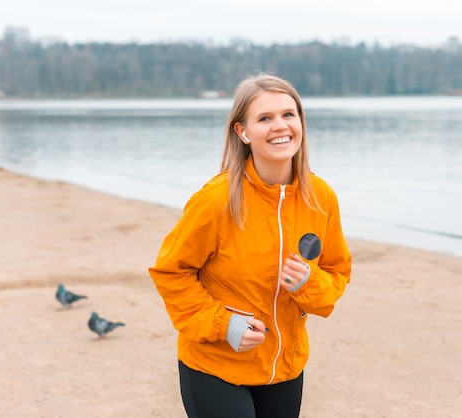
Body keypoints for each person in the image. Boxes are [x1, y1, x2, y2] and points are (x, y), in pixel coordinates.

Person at [148, 73, 352, 418]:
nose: (280, 126)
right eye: (264, 118)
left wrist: (309, 283)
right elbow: (170, 274)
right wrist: (223, 325)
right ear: (242, 132)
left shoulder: (321, 198)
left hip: (284, 368)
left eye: (289, 114)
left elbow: (336, 275)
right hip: (215, 367)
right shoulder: (215, 201)